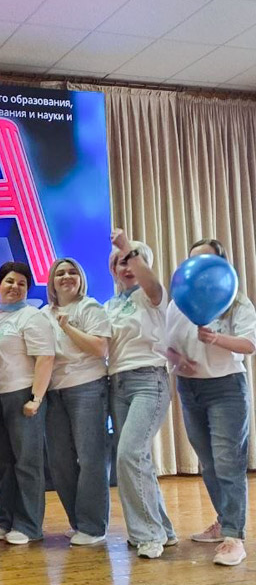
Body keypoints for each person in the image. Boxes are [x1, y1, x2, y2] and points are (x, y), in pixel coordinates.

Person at [166, 238, 256, 567]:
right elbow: (166, 344)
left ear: (222, 264)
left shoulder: (234, 300)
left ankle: (234, 537)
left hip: (226, 388)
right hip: (190, 389)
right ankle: (223, 521)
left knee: (228, 462)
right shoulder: (178, 301)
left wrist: (216, 338)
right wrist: (177, 359)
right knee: (208, 462)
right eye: (193, 260)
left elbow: (249, 344)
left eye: (207, 260)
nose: (198, 267)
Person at [106, 229, 176, 560]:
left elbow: (154, 285)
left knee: (129, 455)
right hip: (117, 383)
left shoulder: (151, 296)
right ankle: (164, 529)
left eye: (134, 260)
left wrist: (127, 247)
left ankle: (148, 535)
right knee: (139, 459)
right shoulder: (110, 305)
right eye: (120, 262)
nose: (127, 266)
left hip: (149, 380)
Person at [44, 258, 112, 546]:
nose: (67, 277)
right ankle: (78, 522)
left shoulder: (90, 307)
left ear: (81, 278)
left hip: (88, 387)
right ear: (52, 281)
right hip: (53, 392)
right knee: (60, 462)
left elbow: (100, 348)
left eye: (73, 272)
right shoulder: (43, 313)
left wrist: (68, 328)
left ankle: (94, 527)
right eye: (60, 273)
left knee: (90, 458)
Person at [0, 261, 55, 545]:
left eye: (21, 283)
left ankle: (29, 526)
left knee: (27, 463)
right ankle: (5, 520)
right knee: (5, 464)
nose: (15, 287)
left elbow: (46, 358)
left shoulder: (33, 317)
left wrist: (36, 398)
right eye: (9, 281)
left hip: (23, 396)